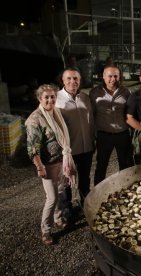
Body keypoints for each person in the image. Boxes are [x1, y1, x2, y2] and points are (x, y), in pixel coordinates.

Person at [25, 84, 76, 245]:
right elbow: (32, 147)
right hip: (47, 165)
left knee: (60, 193)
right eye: (46, 97)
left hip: (61, 161)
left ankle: (58, 219)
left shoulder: (56, 113)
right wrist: (39, 167)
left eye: (52, 97)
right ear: (40, 99)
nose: (50, 100)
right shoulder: (35, 119)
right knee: (51, 198)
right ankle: (45, 230)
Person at [56, 67, 95, 211]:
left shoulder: (85, 97)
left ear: (80, 80)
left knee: (85, 179)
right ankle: (67, 210)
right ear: (63, 81)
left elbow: (91, 120)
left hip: (87, 147)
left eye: (76, 78)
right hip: (69, 150)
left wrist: (92, 138)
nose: (73, 81)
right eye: (69, 78)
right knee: (66, 181)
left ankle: (85, 204)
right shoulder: (57, 99)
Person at [89, 65, 133, 185]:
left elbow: (130, 113)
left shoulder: (126, 92)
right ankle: (98, 193)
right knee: (101, 165)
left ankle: (126, 189)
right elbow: (91, 115)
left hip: (122, 134)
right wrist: (92, 135)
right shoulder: (94, 93)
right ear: (103, 76)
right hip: (104, 135)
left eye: (115, 76)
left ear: (119, 77)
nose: (113, 79)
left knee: (125, 165)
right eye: (110, 76)